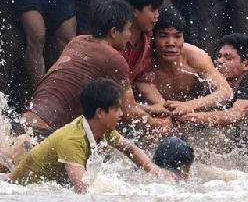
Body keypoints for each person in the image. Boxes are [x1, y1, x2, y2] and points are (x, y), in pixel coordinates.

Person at [25, 0, 168, 132]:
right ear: (113, 32)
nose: (129, 35)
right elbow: (128, 112)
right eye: (128, 30)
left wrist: (151, 109)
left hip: (28, 119)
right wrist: (160, 125)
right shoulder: (114, 59)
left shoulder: (77, 41)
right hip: (47, 130)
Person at [11, 78, 171, 193]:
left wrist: (155, 171)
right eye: (117, 109)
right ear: (100, 113)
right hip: (22, 192)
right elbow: (83, 190)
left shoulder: (102, 129)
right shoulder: (72, 140)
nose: (122, 114)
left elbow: (131, 149)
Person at [136, 6, 233, 120]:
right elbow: (163, 109)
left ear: (183, 38)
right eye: (163, 36)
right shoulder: (144, 63)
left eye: (177, 36)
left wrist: (189, 105)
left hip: (197, 117)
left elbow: (225, 92)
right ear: (153, 38)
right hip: (165, 118)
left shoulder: (195, 56)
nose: (171, 43)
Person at [181, 33, 248, 127]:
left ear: (246, 65)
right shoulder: (215, 86)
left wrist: (189, 117)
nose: (219, 61)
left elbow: (235, 115)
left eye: (227, 58)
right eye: (219, 56)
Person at [114, 0, 163, 82]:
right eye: (153, 10)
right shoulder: (111, 41)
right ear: (133, 10)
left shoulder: (152, 36)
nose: (157, 15)